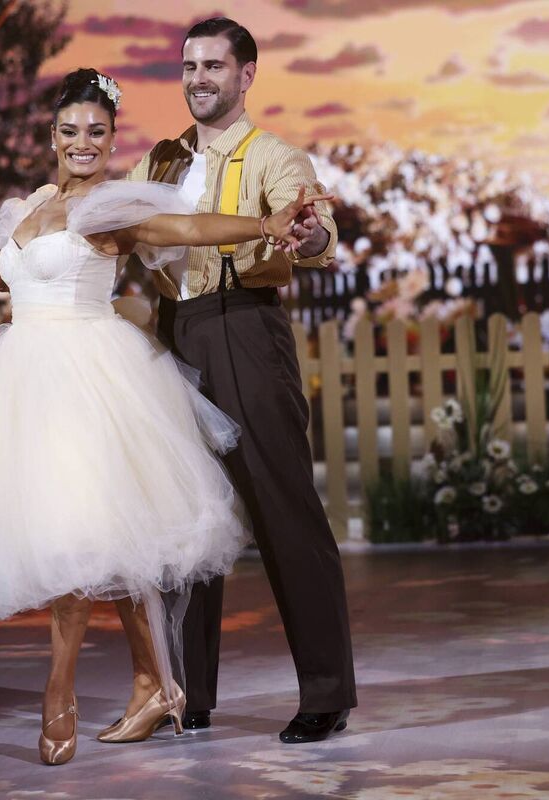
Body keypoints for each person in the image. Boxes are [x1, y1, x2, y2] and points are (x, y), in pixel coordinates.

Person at [0, 67, 330, 766]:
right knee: (106, 543)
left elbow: (185, 226)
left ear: (111, 140)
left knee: (80, 538)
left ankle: (60, 690)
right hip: (23, 385)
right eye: (71, 131)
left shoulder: (109, 206)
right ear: (52, 135)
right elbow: (1, 272)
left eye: (97, 133)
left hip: (87, 378)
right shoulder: (33, 206)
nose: (83, 143)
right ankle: (156, 684)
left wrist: (264, 223)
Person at [124, 17, 358, 744]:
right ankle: (185, 693)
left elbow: (315, 230)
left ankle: (326, 692)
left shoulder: (273, 157)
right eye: (190, 66)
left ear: (246, 75)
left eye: (214, 66)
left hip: (243, 329)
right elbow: (116, 220)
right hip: (172, 331)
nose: (198, 79)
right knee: (183, 515)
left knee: (284, 509)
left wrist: (307, 234)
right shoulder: (159, 161)